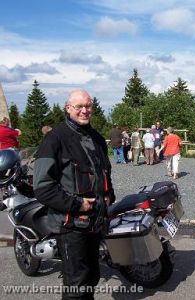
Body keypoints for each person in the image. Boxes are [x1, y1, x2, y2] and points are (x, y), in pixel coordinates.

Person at [33, 90, 115, 299]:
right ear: (68, 108)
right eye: (78, 107)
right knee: (76, 284)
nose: (84, 110)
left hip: (95, 221)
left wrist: (108, 195)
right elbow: (42, 187)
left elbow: (104, 172)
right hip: (70, 225)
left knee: (91, 277)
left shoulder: (96, 137)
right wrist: (78, 204)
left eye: (88, 106)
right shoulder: (55, 139)